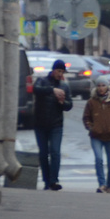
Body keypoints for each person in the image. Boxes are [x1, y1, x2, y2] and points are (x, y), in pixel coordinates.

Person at [32, 58, 73, 190]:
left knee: (55, 152)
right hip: (40, 123)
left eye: (62, 72)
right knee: (43, 153)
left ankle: (53, 180)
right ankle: (46, 180)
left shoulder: (64, 86)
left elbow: (69, 105)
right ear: (54, 70)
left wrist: (62, 103)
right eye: (59, 71)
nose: (60, 74)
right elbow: (36, 89)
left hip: (56, 124)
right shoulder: (42, 81)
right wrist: (52, 90)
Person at [83, 75, 110, 194]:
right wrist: (90, 127)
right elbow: (86, 117)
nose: (101, 88)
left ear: (108, 86)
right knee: (98, 159)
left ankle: (109, 185)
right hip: (96, 135)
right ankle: (101, 184)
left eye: (103, 85)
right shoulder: (92, 102)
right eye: (98, 86)